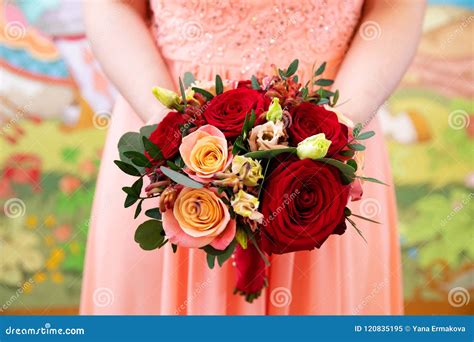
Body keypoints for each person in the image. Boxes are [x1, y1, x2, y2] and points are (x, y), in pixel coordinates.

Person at [81, 0, 425, 314]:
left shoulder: (336, 127)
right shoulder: (164, 126)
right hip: (165, 119)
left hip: (335, 118)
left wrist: (337, 129)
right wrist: (168, 129)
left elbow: (396, 7)